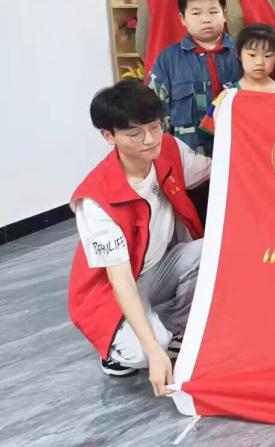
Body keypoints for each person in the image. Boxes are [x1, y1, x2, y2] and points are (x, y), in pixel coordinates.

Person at [68, 81, 206, 393]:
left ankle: (169, 330)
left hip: (158, 270)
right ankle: (119, 351)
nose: (150, 140)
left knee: (209, 252)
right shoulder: (96, 199)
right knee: (146, 352)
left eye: (155, 127)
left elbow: (216, 170)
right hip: (114, 289)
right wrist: (155, 352)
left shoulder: (169, 148)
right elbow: (120, 282)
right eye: (135, 134)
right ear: (108, 136)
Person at [148, 0, 242, 157]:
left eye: (213, 12)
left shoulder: (244, 54)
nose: (205, 19)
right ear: (183, 19)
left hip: (238, 152)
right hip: (189, 156)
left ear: (224, 14)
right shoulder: (168, 60)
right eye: (196, 13)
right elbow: (154, 111)